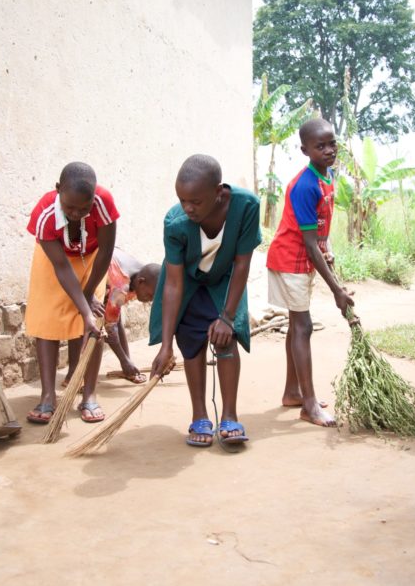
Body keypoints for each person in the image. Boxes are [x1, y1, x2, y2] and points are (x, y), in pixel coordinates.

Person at [149, 154, 261, 447]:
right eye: (182, 200)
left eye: (195, 202)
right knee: (191, 342)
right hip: (187, 283)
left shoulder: (246, 206)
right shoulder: (176, 223)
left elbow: (241, 263)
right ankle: (200, 415)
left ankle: (229, 415)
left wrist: (226, 316)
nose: (188, 208)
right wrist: (165, 345)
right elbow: (173, 283)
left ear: (218, 191)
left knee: (226, 339)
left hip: (225, 280)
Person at [265, 118, 354, 427]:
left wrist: (327, 246)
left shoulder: (327, 176)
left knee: (296, 326)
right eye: (320, 146)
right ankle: (309, 404)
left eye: (332, 143)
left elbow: (319, 229)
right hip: (291, 260)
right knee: (303, 326)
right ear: (305, 150)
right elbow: (307, 242)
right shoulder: (304, 186)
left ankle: (293, 392)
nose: (329, 150)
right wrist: (337, 290)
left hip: (305, 258)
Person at [23, 162, 117, 425]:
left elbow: (106, 252)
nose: (76, 213)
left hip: (93, 260)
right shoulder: (44, 214)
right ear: (57, 191)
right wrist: (83, 306)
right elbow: (61, 267)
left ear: (93, 199)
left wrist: (87, 297)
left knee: (94, 324)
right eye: (69, 207)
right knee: (47, 320)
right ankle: (48, 396)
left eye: (83, 208)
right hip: (55, 261)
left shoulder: (104, 203)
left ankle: (89, 395)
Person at [60, 249, 160, 386]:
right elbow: (110, 330)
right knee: (81, 321)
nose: (150, 300)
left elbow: (114, 319)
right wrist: (123, 361)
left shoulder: (144, 274)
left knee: (114, 318)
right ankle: (72, 375)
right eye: (150, 295)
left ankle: (128, 367)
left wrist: (126, 361)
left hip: (99, 271)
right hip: (79, 276)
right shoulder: (122, 284)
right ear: (141, 282)